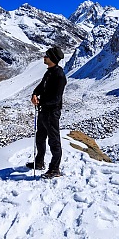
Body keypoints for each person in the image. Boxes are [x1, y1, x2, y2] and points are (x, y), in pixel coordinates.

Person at [28, 46, 67, 178]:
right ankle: (39, 162)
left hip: (52, 113)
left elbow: (56, 99)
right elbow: (41, 86)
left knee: (54, 141)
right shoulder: (49, 72)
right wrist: (35, 94)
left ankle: (55, 169)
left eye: (47, 56)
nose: (44, 57)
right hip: (44, 111)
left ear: (53, 59)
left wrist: (41, 102)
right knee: (40, 137)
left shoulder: (59, 76)